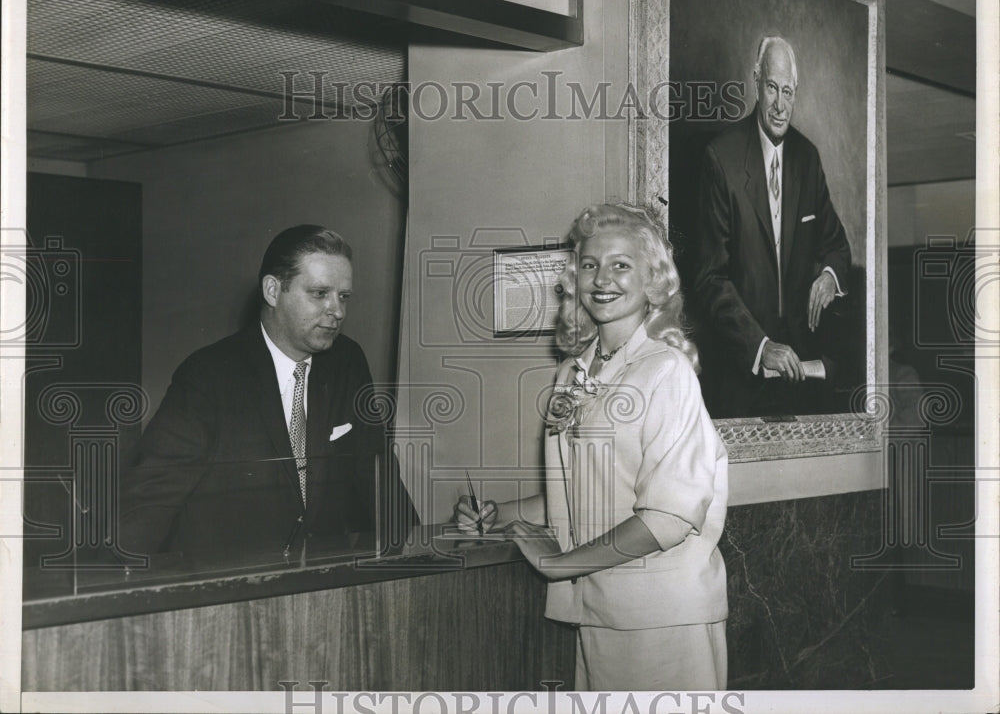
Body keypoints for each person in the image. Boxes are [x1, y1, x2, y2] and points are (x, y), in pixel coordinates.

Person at [454, 204, 728, 691]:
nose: (602, 279)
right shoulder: (573, 372)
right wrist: (498, 514)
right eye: (588, 264)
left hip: (663, 620)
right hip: (601, 610)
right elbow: (581, 497)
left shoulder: (667, 371)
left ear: (653, 281)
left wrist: (558, 563)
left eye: (621, 265)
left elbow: (667, 517)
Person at [119, 225, 416, 561]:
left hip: (325, 584)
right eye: (320, 293)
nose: (338, 311)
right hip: (234, 587)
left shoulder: (347, 361)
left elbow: (379, 480)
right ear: (273, 291)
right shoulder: (208, 375)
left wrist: (423, 549)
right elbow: (149, 500)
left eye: (343, 296)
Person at [695, 36, 852, 417]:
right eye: (771, 89)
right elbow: (708, 277)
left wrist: (830, 276)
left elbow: (837, 245)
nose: (780, 106)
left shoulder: (808, 158)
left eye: (788, 92)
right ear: (755, 81)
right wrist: (761, 346)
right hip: (739, 376)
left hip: (801, 379)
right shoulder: (721, 158)